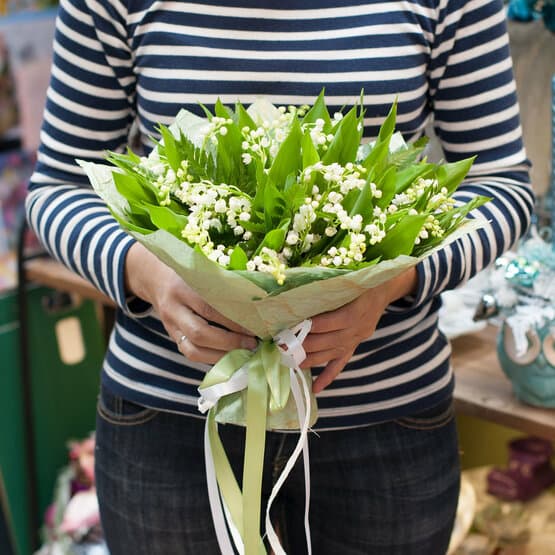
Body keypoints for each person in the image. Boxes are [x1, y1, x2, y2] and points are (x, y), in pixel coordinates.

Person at [26, 0, 534, 553]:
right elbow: (58, 188)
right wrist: (148, 275)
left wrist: (395, 281)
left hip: (383, 428)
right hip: (173, 420)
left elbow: (501, 186)